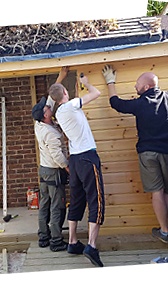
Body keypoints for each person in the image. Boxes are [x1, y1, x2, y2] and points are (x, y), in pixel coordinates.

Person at [102, 64, 168, 243]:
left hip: (148, 154)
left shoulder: (140, 103)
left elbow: (116, 103)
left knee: (157, 192)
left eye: (138, 84)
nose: (135, 87)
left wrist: (110, 81)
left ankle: (163, 232)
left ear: (147, 87)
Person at [49, 66, 105, 269]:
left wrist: (74, 85)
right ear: (64, 94)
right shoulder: (72, 105)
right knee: (96, 199)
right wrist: (87, 83)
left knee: (77, 200)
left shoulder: (59, 112)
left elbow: (67, 98)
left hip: (75, 160)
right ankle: (91, 245)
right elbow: (96, 93)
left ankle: (72, 242)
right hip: (88, 158)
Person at [32, 68, 70, 252]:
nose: (49, 106)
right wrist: (69, 169)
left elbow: (48, 101)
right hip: (54, 172)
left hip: (43, 171)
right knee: (58, 207)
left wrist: (61, 77)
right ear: (46, 115)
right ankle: (56, 241)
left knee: (44, 204)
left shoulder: (39, 123)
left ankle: (43, 237)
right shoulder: (51, 134)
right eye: (47, 108)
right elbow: (58, 157)